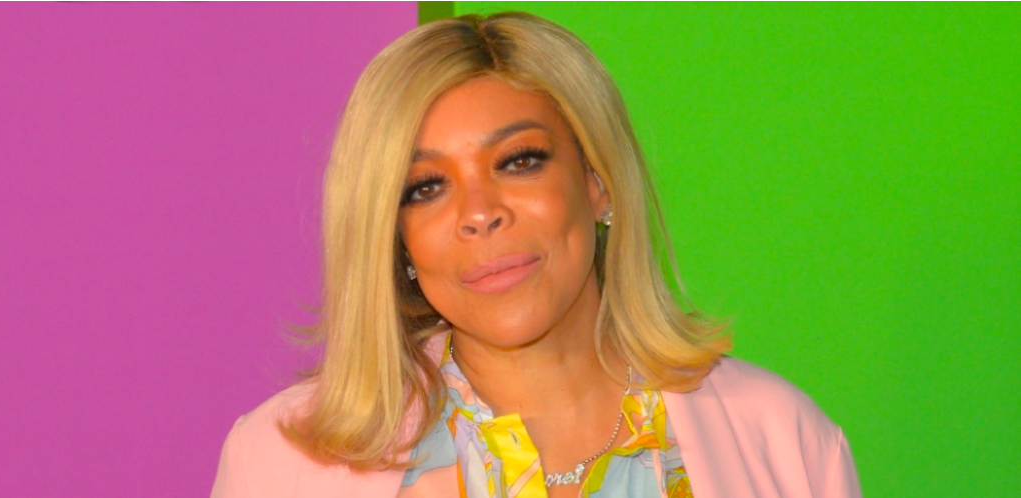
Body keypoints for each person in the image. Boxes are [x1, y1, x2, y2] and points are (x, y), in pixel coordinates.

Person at [211, 12, 861, 498]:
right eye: (426, 187)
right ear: (395, 238)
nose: (479, 212)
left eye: (519, 161)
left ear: (598, 181)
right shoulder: (279, 464)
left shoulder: (784, 439)